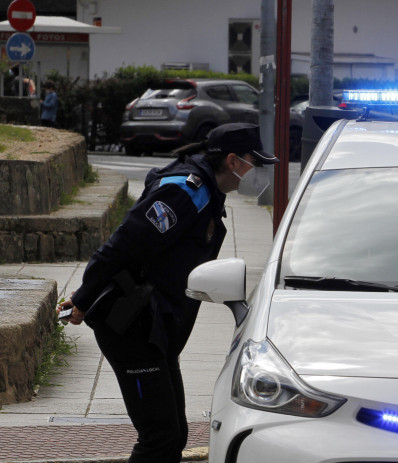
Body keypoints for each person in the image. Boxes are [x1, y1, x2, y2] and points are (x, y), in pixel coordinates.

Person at [56, 122, 278, 463]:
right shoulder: (186, 193)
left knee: (174, 435)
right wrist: (85, 300)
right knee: (160, 437)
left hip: (153, 328)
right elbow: (119, 248)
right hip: (131, 329)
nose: (255, 171)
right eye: (253, 162)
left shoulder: (205, 190)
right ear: (233, 161)